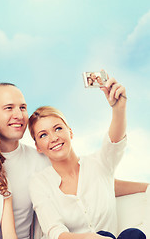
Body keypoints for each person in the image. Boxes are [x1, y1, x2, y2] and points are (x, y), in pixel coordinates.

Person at [0, 82, 148, 239]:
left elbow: (94, 182)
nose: (19, 114)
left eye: (22, 107)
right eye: (9, 108)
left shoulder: (41, 159)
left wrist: (146, 187)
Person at [28, 77, 147, 239]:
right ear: (38, 147)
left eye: (57, 128)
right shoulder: (39, 183)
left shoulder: (98, 164)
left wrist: (119, 108)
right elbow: (55, 230)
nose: (53, 138)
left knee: (133, 235)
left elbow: (114, 142)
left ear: (70, 132)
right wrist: (90, 237)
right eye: (43, 135)